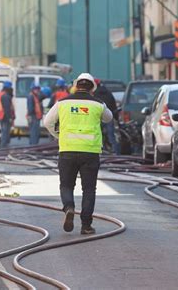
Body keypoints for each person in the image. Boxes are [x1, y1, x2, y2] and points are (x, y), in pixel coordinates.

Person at [43, 73, 113, 235]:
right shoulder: (98, 104)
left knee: (66, 185)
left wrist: (59, 135)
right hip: (90, 152)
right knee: (89, 189)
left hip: (67, 150)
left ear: (75, 86)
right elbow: (109, 118)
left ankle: (69, 207)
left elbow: (47, 122)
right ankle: (86, 226)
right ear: (92, 88)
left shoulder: (63, 103)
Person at [94, 78, 120, 155]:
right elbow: (114, 105)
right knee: (111, 136)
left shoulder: (94, 94)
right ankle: (116, 152)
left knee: (98, 135)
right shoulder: (108, 93)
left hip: (98, 117)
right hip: (109, 117)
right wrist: (116, 117)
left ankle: (101, 151)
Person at [0, 81, 15, 149]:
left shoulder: (1, 94)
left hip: (1, 116)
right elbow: (7, 108)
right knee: (5, 133)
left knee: (4, 133)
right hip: (5, 117)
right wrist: (10, 117)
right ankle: (3, 147)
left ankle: (3, 147)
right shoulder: (6, 96)